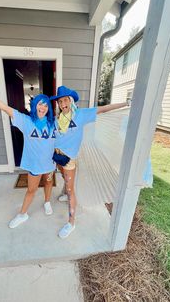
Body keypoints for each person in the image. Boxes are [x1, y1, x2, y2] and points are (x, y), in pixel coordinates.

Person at [0, 77, 56, 229]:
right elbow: (4, 107)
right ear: (35, 106)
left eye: (45, 105)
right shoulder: (26, 121)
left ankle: (47, 202)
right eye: (39, 104)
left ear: (49, 108)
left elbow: (69, 126)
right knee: (31, 190)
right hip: (34, 165)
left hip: (49, 163)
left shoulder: (53, 123)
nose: (42, 107)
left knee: (49, 182)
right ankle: (23, 214)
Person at [50, 86, 129, 238]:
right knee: (65, 180)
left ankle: (71, 222)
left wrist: (124, 104)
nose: (63, 104)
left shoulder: (80, 115)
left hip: (69, 159)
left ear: (70, 100)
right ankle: (67, 192)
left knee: (71, 188)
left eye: (65, 100)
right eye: (60, 101)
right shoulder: (57, 118)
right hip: (58, 158)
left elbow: (103, 109)